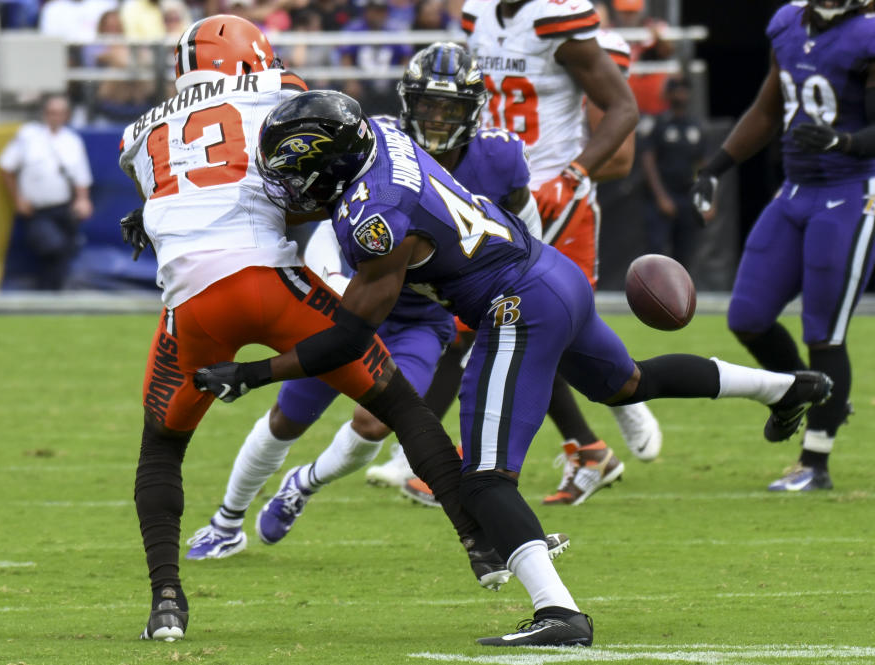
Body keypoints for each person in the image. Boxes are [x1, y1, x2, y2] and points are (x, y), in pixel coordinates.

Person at [195, 89, 832, 647]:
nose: (290, 184)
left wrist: (252, 374)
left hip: (516, 305)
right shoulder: (383, 135)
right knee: (628, 382)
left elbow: (348, 341)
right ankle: (784, 388)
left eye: (297, 170)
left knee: (484, 480)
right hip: (551, 272)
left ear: (330, 165)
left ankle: (559, 612)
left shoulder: (376, 221)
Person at [119, 15, 513, 643]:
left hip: (190, 303)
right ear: (252, 56)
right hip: (271, 283)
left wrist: (145, 212)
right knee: (401, 406)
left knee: (162, 447)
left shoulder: (136, 133)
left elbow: (170, 181)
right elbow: (323, 132)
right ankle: (477, 543)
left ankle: (167, 601)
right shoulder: (275, 84)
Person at [185, 44, 560, 576]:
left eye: (447, 109)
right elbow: (323, 226)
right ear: (407, 103)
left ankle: (303, 484)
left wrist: (511, 289)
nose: (434, 118)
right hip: (355, 296)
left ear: (473, 111)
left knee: (375, 422)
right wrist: (334, 284)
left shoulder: (498, 155)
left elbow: (526, 226)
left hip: (420, 314)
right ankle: (226, 522)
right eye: (426, 106)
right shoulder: (370, 139)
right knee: (289, 415)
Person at [456, 0, 661, 508]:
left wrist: (574, 173)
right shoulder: (476, 15)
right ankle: (591, 437)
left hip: (551, 193)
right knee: (510, 325)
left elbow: (624, 109)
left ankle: (612, 407)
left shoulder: (560, 21)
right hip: (493, 191)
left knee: (532, 325)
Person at [690, 0, 875, 492]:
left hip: (850, 193)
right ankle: (812, 392)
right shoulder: (788, 23)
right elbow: (769, 108)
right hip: (794, 192)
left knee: (824, 333)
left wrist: (846, 144)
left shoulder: (867, 35)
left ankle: (815, 463)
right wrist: (715, 168)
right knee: (747, 316)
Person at [0, 93, 93, 290]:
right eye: (51, 112)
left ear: (67, 115)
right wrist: (17, 199)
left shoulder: (72, 141)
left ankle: (51, 296)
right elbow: (6, 166)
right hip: (38, 211)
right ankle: (48, 294)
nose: (55, 117)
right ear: (44, 114)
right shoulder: (28, 136)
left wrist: (83, 199)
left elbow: (81, 176)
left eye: (59, 113)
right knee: (52, 246)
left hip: (64, 209)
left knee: (64, 251)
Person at [641, 75, 706, 269]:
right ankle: (653, 293)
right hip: (662, 195)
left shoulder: (695, 126)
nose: (681, 94)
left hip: (687, 195)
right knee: (657, 249)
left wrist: (706, 197)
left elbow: (703, 164)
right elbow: (648, 161)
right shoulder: (658, 124)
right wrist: (661, 196)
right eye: (676, 89)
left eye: (684, 89)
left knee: (685, 251)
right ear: (668, 94)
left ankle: (680, 294)